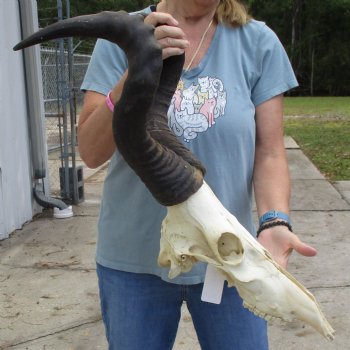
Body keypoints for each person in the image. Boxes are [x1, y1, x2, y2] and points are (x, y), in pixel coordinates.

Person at [79, 0, 317, 348]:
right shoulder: (124, 36)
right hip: (134, 258)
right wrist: (135, 71)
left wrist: (275, 221)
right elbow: (91, 150)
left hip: (228, 256)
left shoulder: (257, 41)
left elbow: (269, 152)